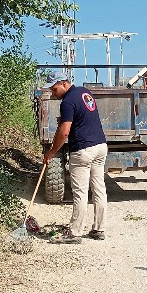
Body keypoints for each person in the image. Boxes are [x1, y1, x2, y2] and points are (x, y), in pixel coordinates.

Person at [43, 75, 108, 243]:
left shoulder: (67, 102)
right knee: (99, 189)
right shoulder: (85, 93)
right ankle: (99, 229)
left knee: (80, 192)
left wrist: (52, 152)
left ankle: (75, 232)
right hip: (100, 146)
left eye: (54, 89)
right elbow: (82, 118)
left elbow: (64, 132)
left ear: (64, 83)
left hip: (83, 150)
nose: (53, 93)